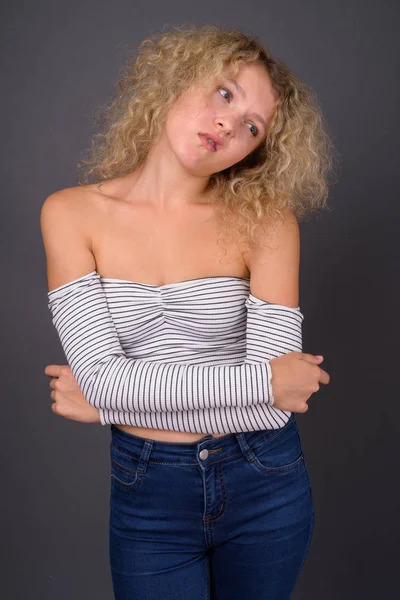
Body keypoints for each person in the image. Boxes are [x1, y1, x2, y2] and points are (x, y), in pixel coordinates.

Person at [41, 24, 334, 600]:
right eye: (225, 93)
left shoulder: (268, 222)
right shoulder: (70, 214)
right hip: (148, 489)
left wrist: (108, 402)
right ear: (176, 81)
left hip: (265, 480)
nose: (229, 124)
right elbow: (272, 387)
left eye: (254, 126)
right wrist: (265, 381)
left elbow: (272, 412)